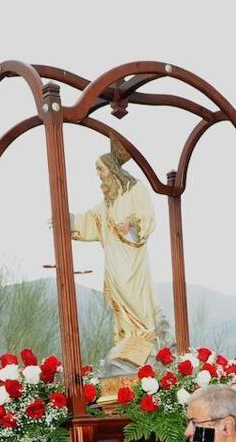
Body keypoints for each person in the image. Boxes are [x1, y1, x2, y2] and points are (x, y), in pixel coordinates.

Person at [65, 142, 164, 376]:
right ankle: (127, 346)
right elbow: (89, 221)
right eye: (97, 170)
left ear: (112, 169)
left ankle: (142, 345)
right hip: (113, 263)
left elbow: (147, 217)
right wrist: (66, 219)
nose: (98, 175)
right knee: (120, 303)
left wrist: (131, 222)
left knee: (137, 301)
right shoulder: (105, 205)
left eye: (100, 169)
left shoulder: (136, 190)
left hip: (133, 262)